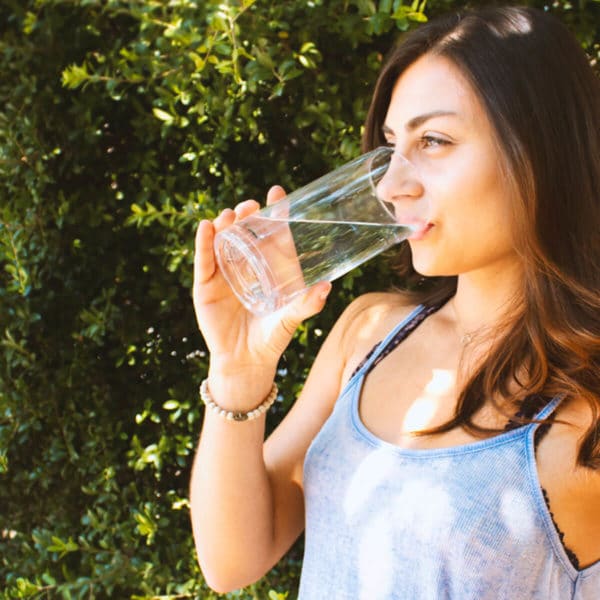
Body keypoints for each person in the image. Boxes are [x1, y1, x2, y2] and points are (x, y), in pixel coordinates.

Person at [189, 6, 600, 599]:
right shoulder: (370, 332)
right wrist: (237, 370)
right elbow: (231, 562)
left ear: (540, 150)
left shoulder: (584, 417)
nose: (388, 186)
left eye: (433, 141)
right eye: (389, 146)